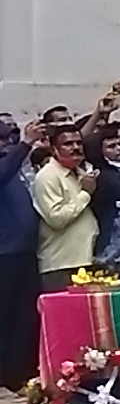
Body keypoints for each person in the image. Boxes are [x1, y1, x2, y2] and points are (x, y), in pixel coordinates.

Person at [0, 119, 41, 389]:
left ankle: (20, 372)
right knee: (5, 317)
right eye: (4, 137)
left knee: (26, 315)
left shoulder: (14, 164)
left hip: (25, 253)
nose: (7, 142)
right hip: (4, 255)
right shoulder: (7, 165)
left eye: (10, 137)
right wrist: (25, 143)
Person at [32, 125, 98, 292]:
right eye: (68, 144)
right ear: (54, 149)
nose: (75, 148)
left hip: (84, 261)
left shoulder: (80, 173)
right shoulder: (47, 176)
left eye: (78, 143)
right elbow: (56, 219)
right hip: (61, 265)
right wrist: (85, 194)